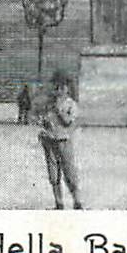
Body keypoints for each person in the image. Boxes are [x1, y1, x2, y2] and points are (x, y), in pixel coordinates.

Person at [37, 69, 83, 209]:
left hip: (64, 140)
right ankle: (59, 203)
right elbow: (42, 119)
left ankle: (77, 201)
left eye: (62, 87)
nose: (59, 90)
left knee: (69, 172)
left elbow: (68, 121)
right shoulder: (49, 103)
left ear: (67, 88)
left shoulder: (70, 104)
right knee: (53, 174)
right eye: (57, 86)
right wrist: (43, 125)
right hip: (50, 140)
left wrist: (58, 110)